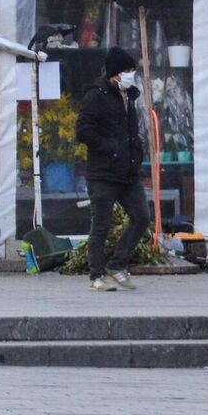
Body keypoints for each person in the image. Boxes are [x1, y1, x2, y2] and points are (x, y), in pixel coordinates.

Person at [77, 47, 150, 292]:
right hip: (103, 173)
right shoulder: (95, 97)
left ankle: (117, 264)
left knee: (141, 217)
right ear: (115, 73)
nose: (131, 75)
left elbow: (131, 130)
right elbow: (83, 131)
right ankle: (96, 276)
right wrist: (111, 148)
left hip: (128, 172)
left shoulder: (128, 95)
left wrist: (136, 153)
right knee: (101, 225)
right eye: (128, 71)